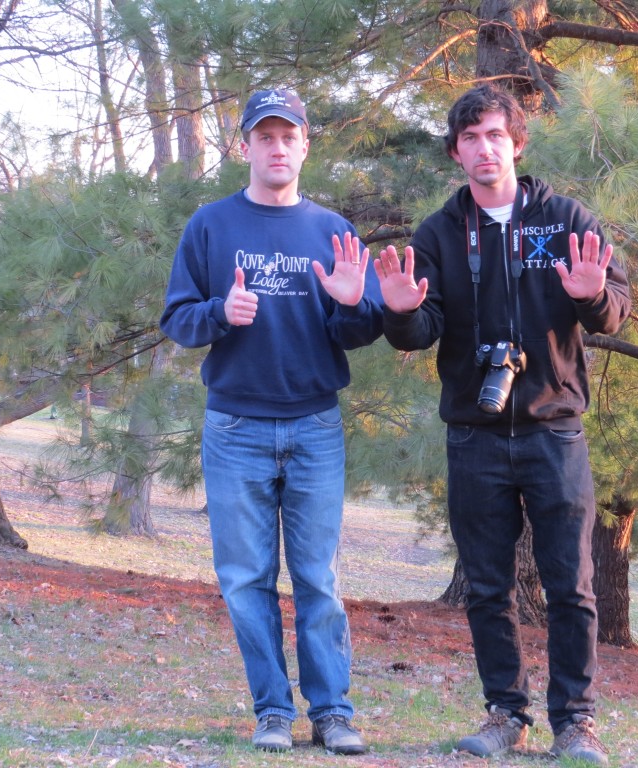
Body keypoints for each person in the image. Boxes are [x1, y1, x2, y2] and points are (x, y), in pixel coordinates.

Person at [373, 84, 630, 764]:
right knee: (487, 586)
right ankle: (504, 714)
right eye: (470, 138)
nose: (484, 149)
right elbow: (419, 331)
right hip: (474, 435)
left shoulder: (565, 217)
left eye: (495, 135)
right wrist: (398, 310)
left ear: (516, 142)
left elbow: (616, 309)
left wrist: (594, 294)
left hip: (554, 431)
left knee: (570, 586)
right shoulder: (439, 232)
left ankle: (575, 723)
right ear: (456, 152)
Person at [160, 88, 381, 755]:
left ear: (306, 145)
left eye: (289, 136)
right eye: (265, 136)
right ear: (246, 146)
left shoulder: (333, 231)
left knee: (318, 579)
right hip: (235, 430)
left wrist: (349, 305)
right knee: (245, 580)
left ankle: (333, 713)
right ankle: (272, 713)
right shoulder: (210, 226)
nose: (278, 147)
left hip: (314, 428)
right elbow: (177, 319)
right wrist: (219, 314)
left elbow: (363, 326)